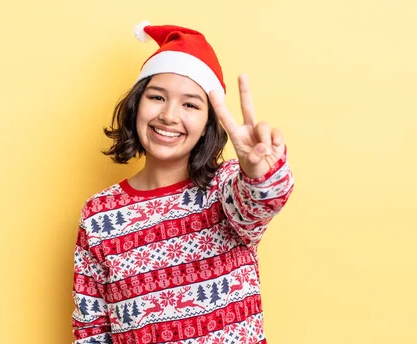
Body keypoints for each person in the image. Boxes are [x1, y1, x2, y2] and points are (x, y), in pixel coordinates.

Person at [71, 20, 294, 344]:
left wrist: (259, 172)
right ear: (136, 105)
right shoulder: (99, 216)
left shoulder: (226, 190)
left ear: (207, 124)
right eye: (157, 97)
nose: (169, 116)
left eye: (190, 104)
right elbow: (91, 333)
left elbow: (263, 200)